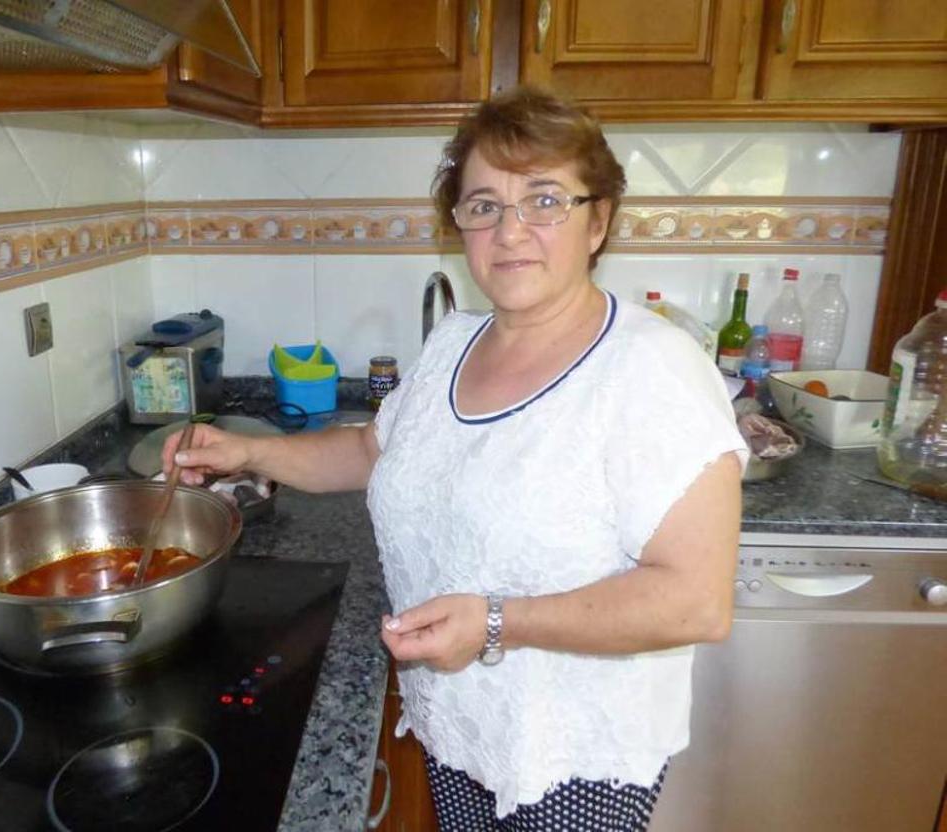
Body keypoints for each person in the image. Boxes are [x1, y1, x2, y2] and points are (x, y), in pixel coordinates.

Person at [163, 87, 747, 832]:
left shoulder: (651, 370)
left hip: (569, 753)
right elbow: (374, 451)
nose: (511, 232)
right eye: (483, 206)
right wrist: (250, 450)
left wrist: (498, 623)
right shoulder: (453, 345)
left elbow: (696, 600)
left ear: (597, 221)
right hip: (458, 722)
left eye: (544, 200)